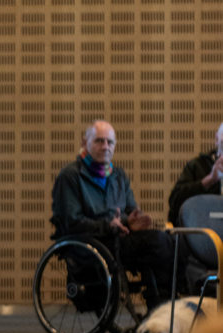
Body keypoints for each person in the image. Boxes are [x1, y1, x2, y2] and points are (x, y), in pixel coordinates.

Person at [51, 120, 179, 310]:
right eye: (99, 141)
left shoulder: (118, 175)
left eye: (110, 142)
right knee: (157, 242)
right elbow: (71, 222)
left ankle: (167, 302)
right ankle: (160, 308)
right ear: (84, 142)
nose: (105, 147)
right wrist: (108, 225)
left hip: (118, 239)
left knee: (175, 241)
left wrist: (132, 221)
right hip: (92, 244)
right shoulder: (70, 176)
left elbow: (129, 212)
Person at [168, 123, 223, 226]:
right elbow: (175, 202)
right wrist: (209, 180)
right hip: (204, 227)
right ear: (216, 140)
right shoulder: (198, 165)